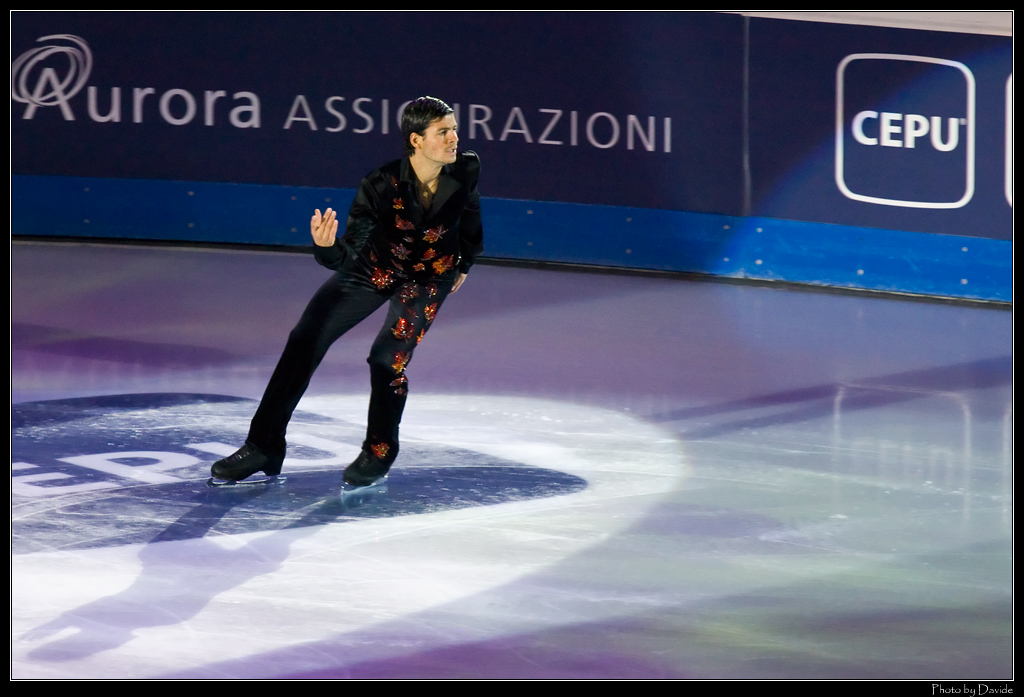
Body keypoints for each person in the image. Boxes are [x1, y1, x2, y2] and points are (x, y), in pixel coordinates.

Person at [211, 96, 483, 487]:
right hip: (375, 268)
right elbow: (350, 252)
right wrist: (327, 247)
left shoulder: (467, 167)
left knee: (387, 360)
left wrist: (465, 261)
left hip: (428, 277)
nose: (455, 138)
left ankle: (379, 451)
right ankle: (264, 446)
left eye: (454, 129)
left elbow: (470, 210)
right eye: (444, 131)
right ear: (416, 141)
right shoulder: (380, 184)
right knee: (304, 339)